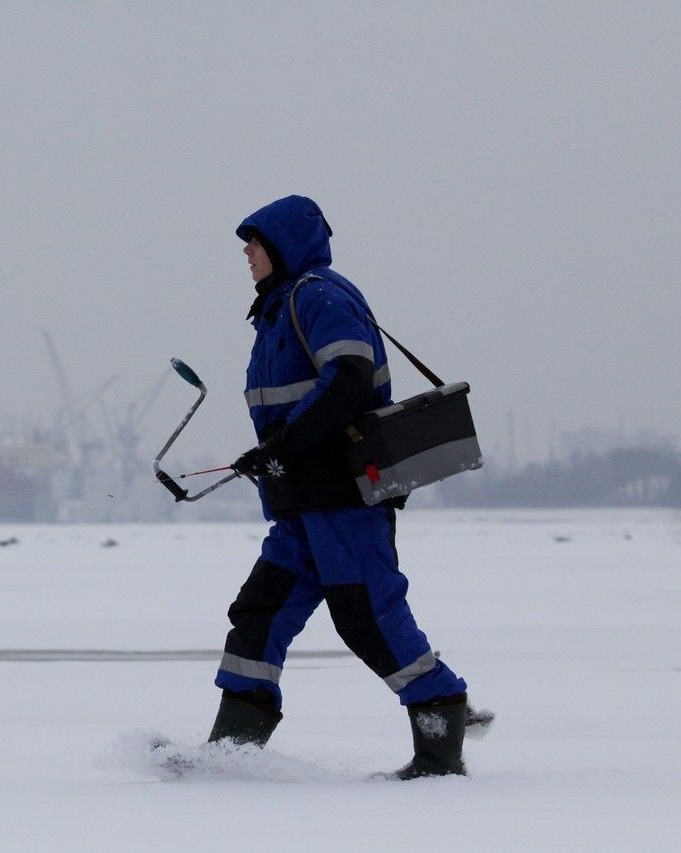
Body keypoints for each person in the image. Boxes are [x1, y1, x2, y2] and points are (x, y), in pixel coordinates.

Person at [208, 194, 474, 779]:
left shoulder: (317, 295)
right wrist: (271, 454)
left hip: (344, 504)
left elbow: (349, 377)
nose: (247, 254)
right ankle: (229, 756)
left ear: (282, 246)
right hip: (301, 506)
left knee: (369, 620)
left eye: (254, 243)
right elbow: (293, 409)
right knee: (259, 614)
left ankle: (440, 734)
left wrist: (286, 445)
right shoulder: (279, 311)